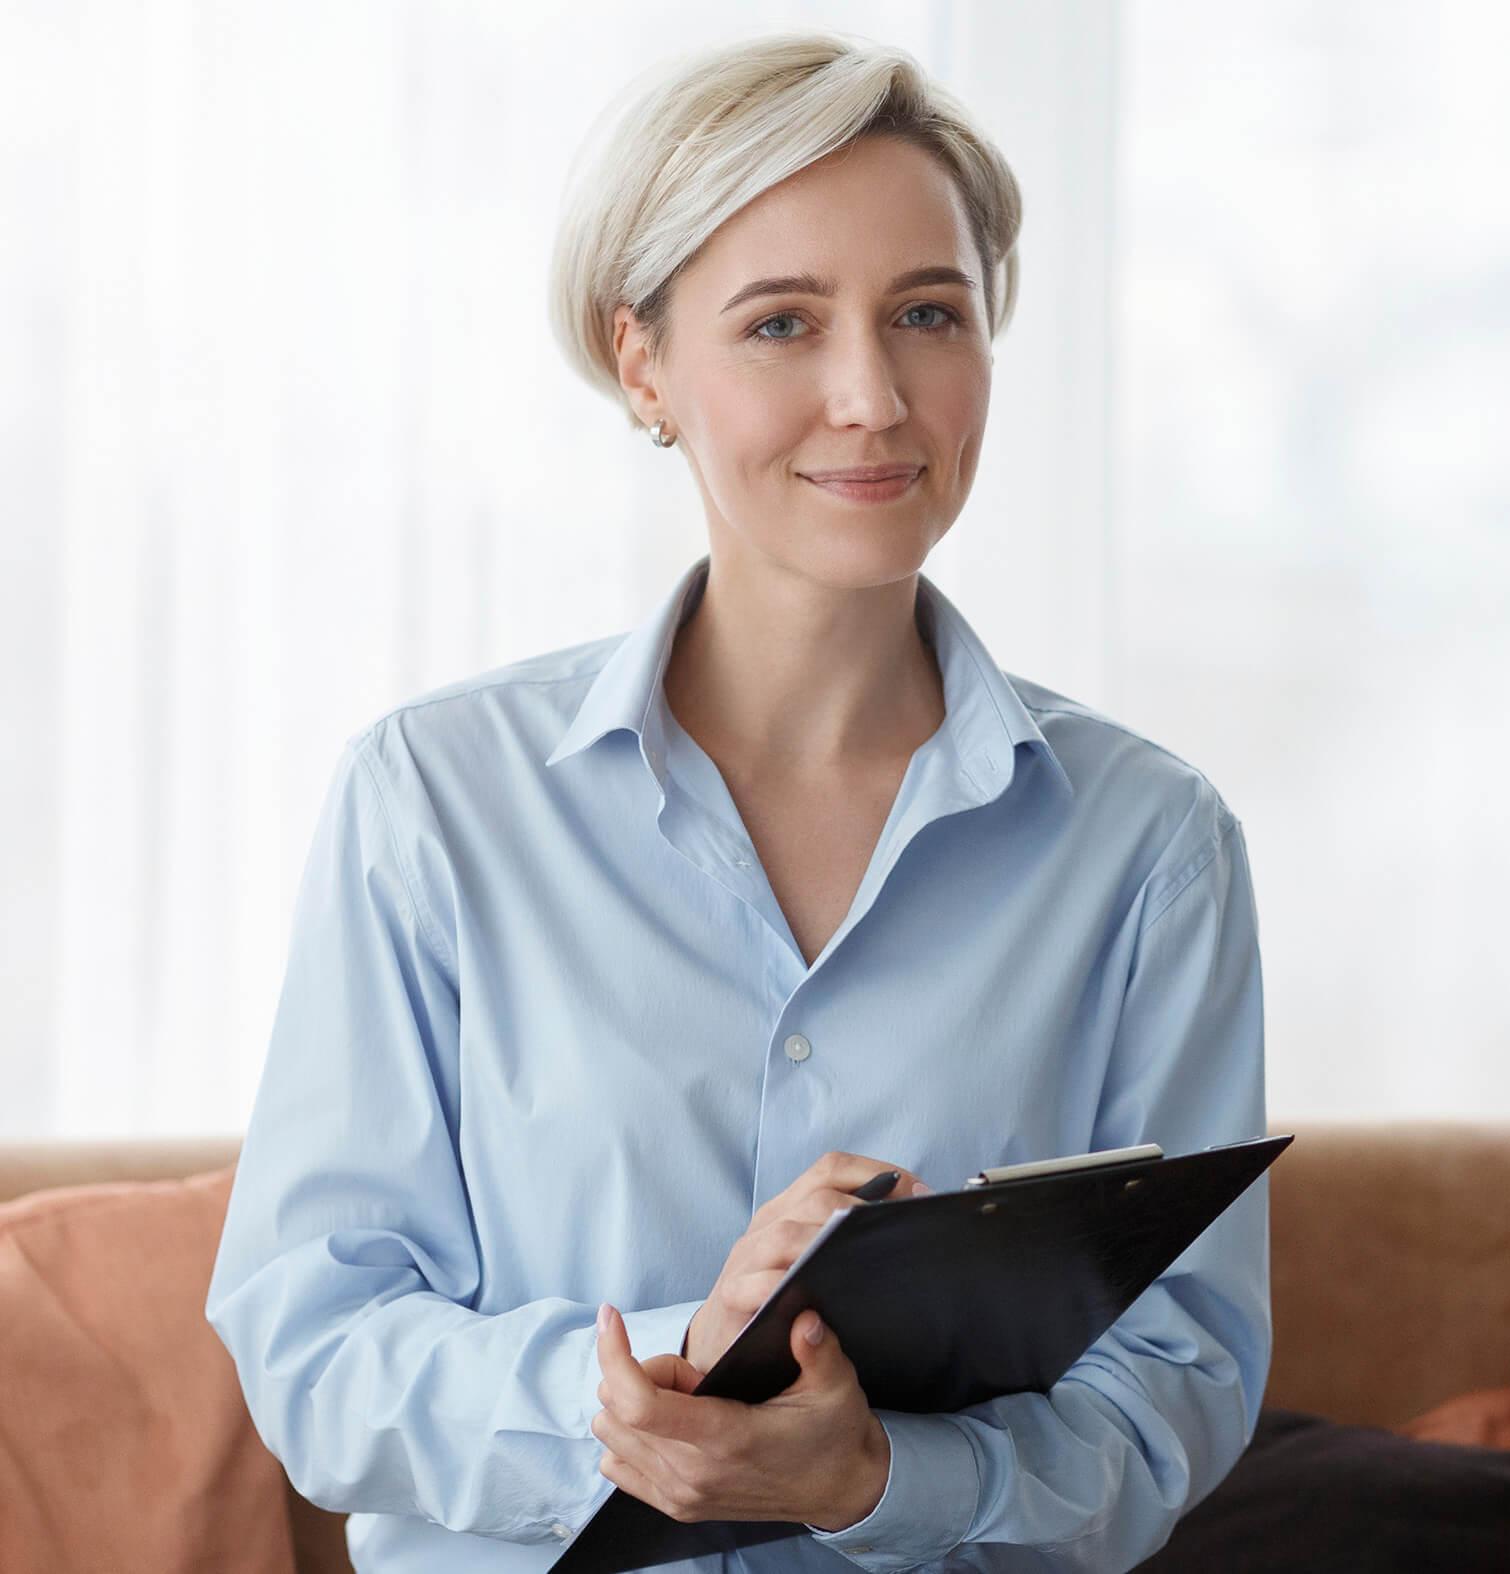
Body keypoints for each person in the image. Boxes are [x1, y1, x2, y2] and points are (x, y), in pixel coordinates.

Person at [206, 28, 1269, 1574]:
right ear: (642, 362)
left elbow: (1177, 1385)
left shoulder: (1150, 848)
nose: (872, 396)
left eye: (928, 313)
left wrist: (877, 1477)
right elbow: (317, 1349)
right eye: (782, 323)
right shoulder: (433, 802)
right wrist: (671, 1363)